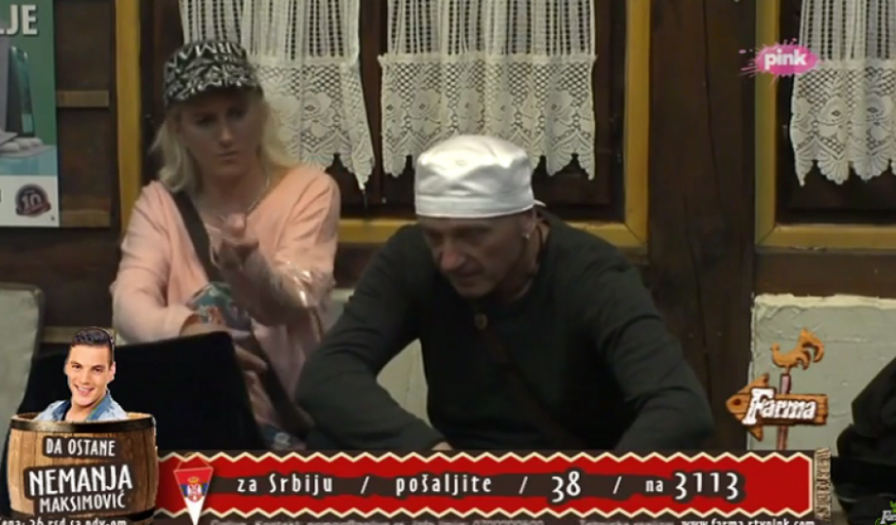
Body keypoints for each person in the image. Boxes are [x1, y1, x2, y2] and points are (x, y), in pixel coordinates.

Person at [296, 134, 714, 450]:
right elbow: (327, 375)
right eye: (435, 236)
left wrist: (598, 496)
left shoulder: (593, 276)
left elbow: (680, 408)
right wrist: (431, 456)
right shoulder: (413, 258)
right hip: (463, 472)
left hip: (570, 479)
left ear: (527, 219)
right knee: (328, 443)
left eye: (473, 235)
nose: (449, 259)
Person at [111, 40, 341, 450]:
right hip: (195, 418)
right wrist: (195, 335)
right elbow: (129, 302)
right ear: (178, 129)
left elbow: (293, 300)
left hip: (295, 423)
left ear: (261, 112)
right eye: (205, 121)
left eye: (237, 114)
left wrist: (249, 264)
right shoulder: (159, 204)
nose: (226, 136)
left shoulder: (310, 190)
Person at [36, 328, 127, 422]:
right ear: (66, 367)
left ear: (111, 372)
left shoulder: (116, 424)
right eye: (77, 367)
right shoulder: (52, 411)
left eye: (96, 370)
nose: (84, 380)